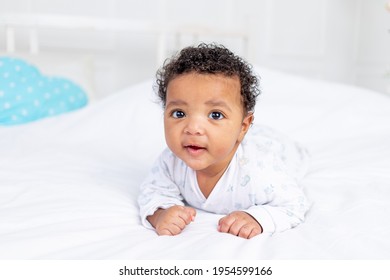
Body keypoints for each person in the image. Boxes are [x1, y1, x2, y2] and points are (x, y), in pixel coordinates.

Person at [138, 43, 310, 239]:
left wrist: (257, 218)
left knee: (273, 144)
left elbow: (294, 204)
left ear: (243, 126)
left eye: (216, 115)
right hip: (242, 138)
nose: (193, 128)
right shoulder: (171, 162)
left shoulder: (259, 172)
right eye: (179, 113)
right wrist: (160, 214)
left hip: (275, 145)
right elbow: (152, 191)